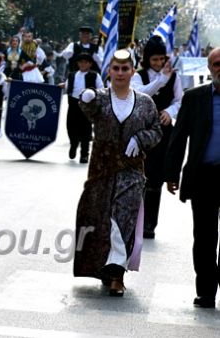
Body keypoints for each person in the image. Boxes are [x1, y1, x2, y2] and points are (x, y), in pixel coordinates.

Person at [73, 50, 162, 297]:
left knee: (121, 219)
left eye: (125, 69)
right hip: (101, 169)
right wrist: (86, 98)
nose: (120, 73)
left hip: (131, 170)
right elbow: (87, 110)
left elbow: (156, 131)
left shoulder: (145, 102)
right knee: (100, 218)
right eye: (116, 69)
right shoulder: (100, 98)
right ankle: (103, 266)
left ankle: (116, 274)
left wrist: (140, 138)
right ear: (109, 71)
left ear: (132, 71)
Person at [165, 47, 220, 308]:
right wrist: (171, 173)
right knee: (205, 238)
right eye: (217, 64)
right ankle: (206, 291)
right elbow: (178, 139)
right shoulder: (194, 98)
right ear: (209, 69)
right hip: (203, 178)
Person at [131, 35, 182, 239]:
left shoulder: (174, 77)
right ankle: (133, 219)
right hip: (141, 132)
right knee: (138, 176)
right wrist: (160, 80)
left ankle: (150, 223)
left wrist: (170, 111)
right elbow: (141, 95)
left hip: (163, 132)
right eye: (155, 60)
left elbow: (180, 100)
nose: (159, 63)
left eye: (162, 59)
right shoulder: (138, 75)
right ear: (147, 59)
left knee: (156, 179)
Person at [61, 52, 103, 164]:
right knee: (71, 127)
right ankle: (73, 145)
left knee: (86, 129)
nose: (83, 64)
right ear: (78, 63)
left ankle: (84, 154)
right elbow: (66, 86)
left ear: (90, 64)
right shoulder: (72, 75)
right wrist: (61, 86)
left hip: (88, 105)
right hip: (73, 103)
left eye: (86, 62)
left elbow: (100, 89)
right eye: (81, 62)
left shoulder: (95, 75)